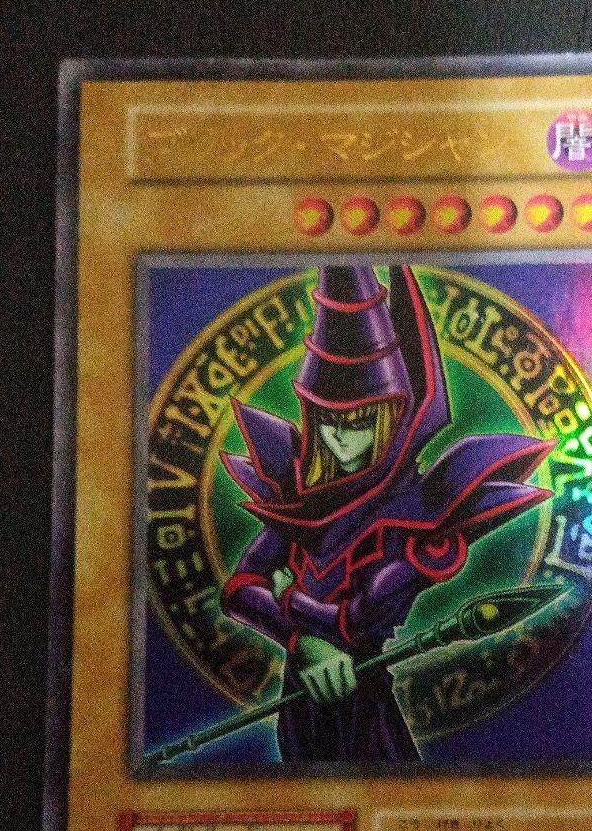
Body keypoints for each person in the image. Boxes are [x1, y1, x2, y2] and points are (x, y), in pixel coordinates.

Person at [220, 264, 554, 762]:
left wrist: (294, 605)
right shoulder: (302, 499)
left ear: (391, 418)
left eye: (358, 422)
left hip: (360, 690)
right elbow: (240, 587)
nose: (339, 439)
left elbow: (359, 618)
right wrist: (302, 642)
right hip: (302, 691)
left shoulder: (418, 516)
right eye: (328, 422)